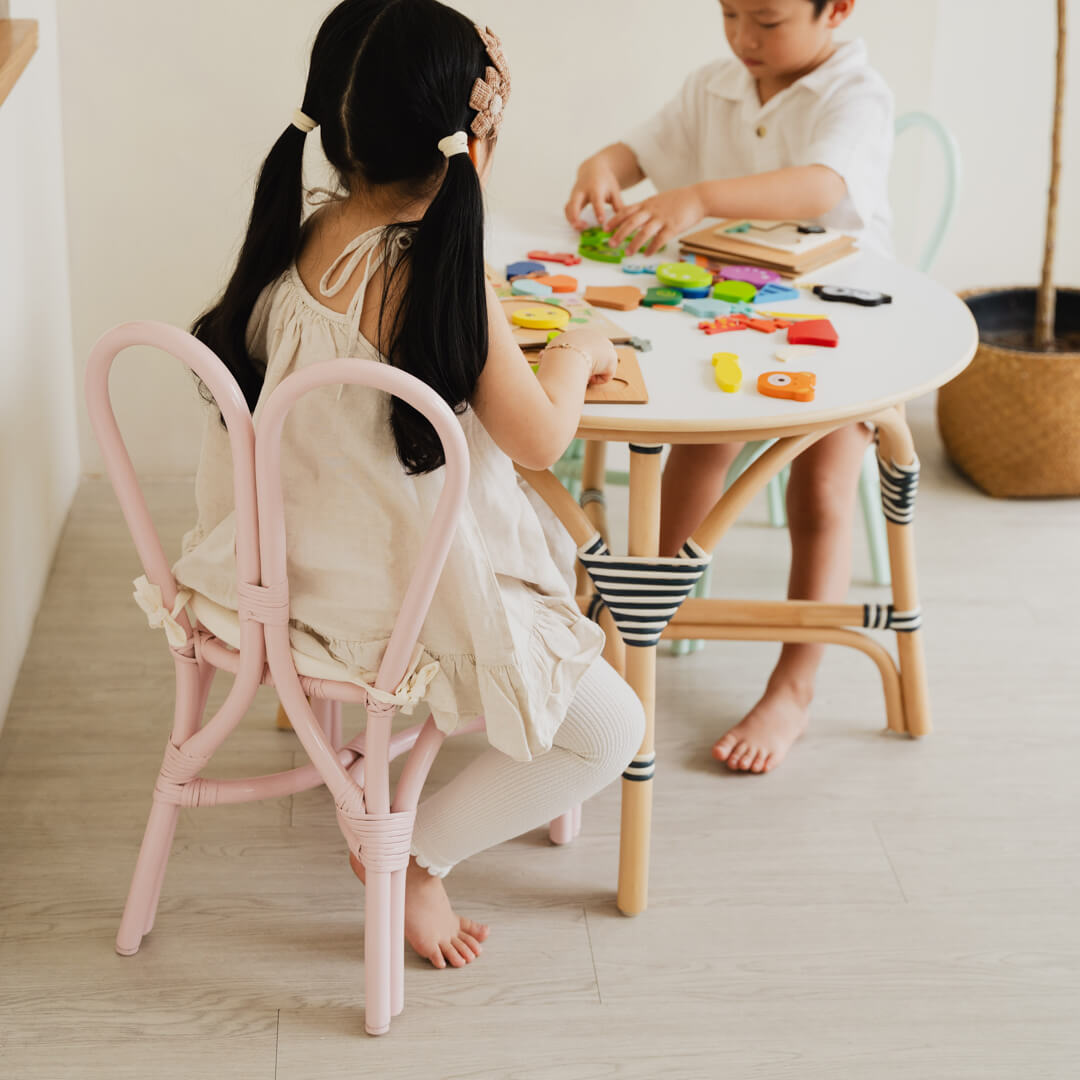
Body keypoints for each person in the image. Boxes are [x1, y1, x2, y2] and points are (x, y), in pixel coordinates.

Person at [173, 0, 645, 970]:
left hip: (276, 579)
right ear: (473, 133)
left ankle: (401, 815)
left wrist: (465, 163)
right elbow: (541, 437)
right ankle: (414, 856)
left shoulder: (290, 238)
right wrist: (581, 350)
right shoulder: (442, 279)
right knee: (613, 730)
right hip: (393, 609)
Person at [566, 0, 893, 774]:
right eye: (731, 14)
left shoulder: (856, 90)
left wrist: (703, 197)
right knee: (696, 448)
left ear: (836, 10)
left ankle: (794, 685)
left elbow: (819, 186)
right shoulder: (713, 84)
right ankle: (636, 632)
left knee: (820, 492)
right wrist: (601, 171)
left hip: (843, 329)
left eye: (769, 21)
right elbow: (632, 152)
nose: (746, 37)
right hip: (733, 323)